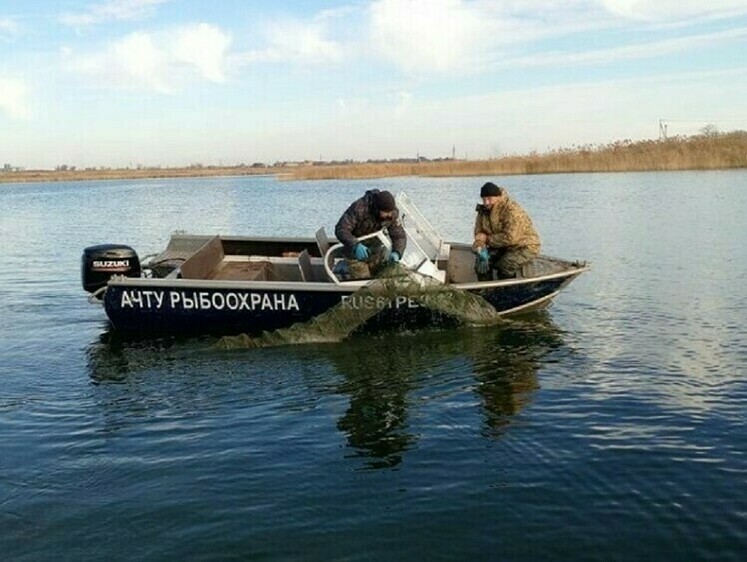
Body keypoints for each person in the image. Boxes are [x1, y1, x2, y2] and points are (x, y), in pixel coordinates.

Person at [472, 182, 541, 280]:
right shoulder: (483, 211)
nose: (486, 202)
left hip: (525, 246)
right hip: (501, 245)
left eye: (489, 199)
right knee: (481, 264)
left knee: (505, 265)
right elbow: (479, 232)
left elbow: (511, 238)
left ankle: (506, 292)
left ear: (498, 197)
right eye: (484, 199)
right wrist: (480, 247)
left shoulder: (511, 210)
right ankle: (485, 291)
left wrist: (487, 239)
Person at [335, 189, 407, 279]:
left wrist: (397, 252)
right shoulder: (359, 208)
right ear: (377, 209)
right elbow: (341, 229)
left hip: (375, 250)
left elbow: (399, 235)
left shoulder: (392, 214)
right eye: (386, 213)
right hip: (354, 251)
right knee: (363, 278)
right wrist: (355, 245)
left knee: (387, 275)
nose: (389, 216)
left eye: (391, 213)